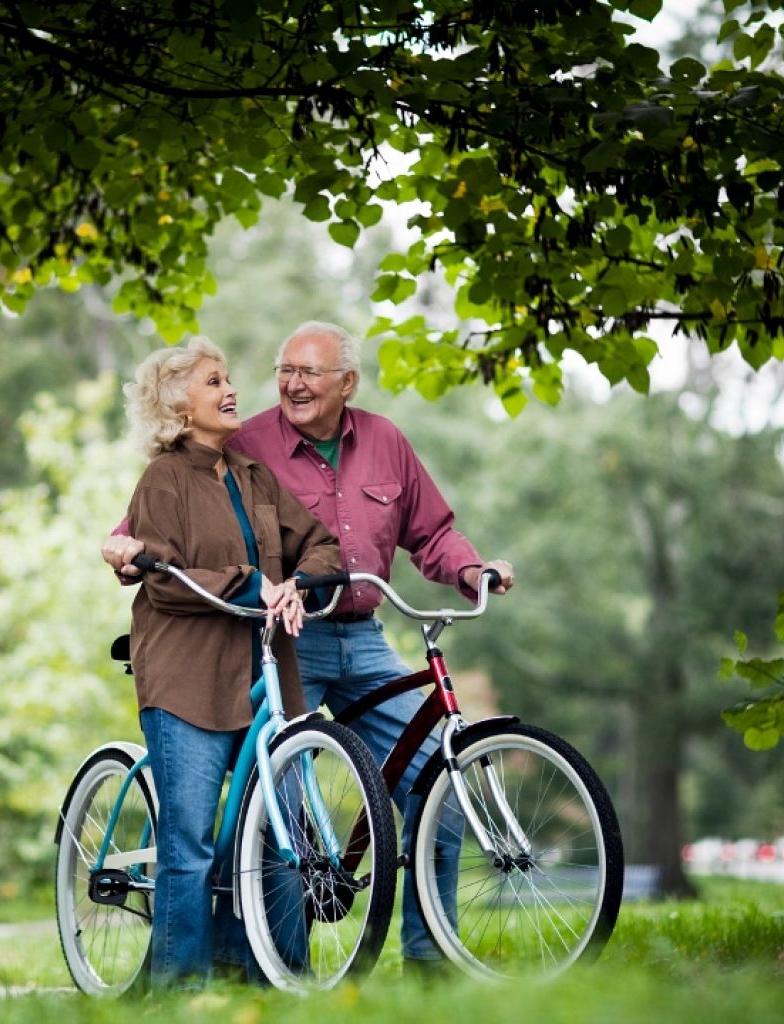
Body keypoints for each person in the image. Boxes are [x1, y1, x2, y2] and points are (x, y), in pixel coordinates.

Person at [105, 321, 515, 975]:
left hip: (360, 636)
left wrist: (471, 571)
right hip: (286, 638)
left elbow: (432, 532)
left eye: (309, 373)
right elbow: (171, 503)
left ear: (346, 383)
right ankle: (273, 970)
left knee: (436, 777)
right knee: (278, 808)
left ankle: (431, 960)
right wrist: (125, 544)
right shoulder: (247, 441)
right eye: (283, 369)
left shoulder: (383, 442)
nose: (289, 384)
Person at [121, 336, 340, 990]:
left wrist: (300, 584)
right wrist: (254, 584)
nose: (230, 390)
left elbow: (320, 544)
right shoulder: (162, 479)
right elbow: (160, 576)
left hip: (266, 672)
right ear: (178, 405)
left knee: (281, 835)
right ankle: (179, 990)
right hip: (186, 677)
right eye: (214, 382)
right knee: (187, 850)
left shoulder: (253, 475)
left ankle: (277, 978)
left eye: (227, 378)